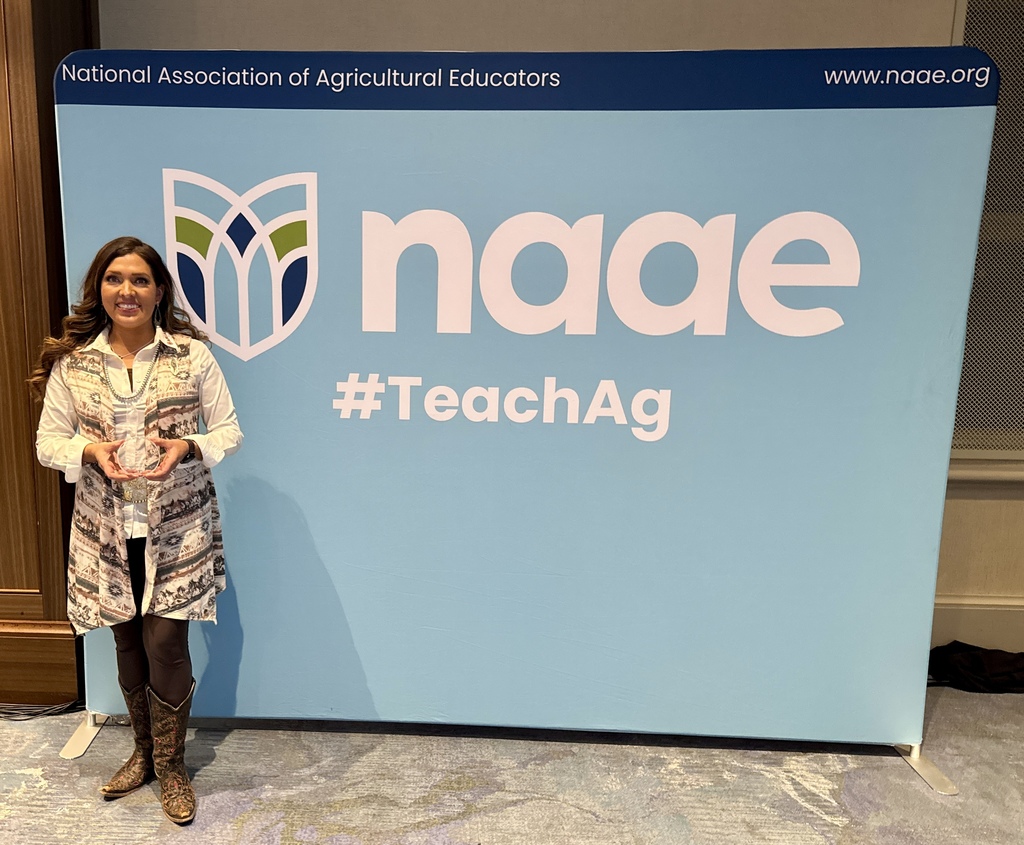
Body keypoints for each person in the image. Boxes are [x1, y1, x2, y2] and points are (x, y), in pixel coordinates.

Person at [31, 236, 243, 825]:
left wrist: (190, 445)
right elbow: (48, 443)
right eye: (115, 279)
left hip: (178, 524)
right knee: (125, 640)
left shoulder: (191, 356)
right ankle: (143, 752)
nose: (127, 290)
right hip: (106, 525)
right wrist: (90, 450)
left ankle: (173, 765)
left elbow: (228, 429)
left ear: (159, 292)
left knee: (165, 641)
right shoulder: (75, 366)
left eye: (140, 280)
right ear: (99, 288)